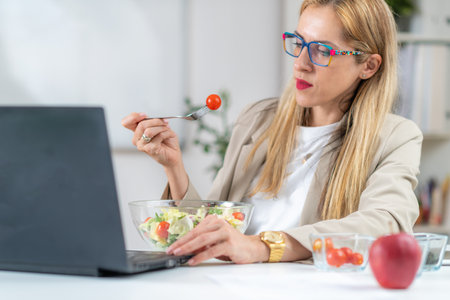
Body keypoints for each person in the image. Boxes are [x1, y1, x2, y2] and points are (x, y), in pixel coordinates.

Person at [121, 0, 422, 266]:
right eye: (298, 42)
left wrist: (261, 246)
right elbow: (210, 228)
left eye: (320, 51)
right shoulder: (257, 120)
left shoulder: (396, 137)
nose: (301, 64)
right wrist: (174, 168)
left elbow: (386, 224)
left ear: (368, 66)